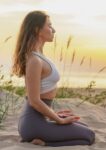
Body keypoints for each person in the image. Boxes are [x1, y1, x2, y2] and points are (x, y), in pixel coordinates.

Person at [11, 10, 95, 147]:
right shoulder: (34, 61)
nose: (54, 30)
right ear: (37, 29)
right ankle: (44, 143)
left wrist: (53, 113)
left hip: (38, 119)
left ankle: (43, 138)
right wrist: (57, 119)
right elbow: (34, 101)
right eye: (49, 26)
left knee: (83, 126)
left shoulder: (39, 56)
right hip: (33, 124)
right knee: (89, 136)